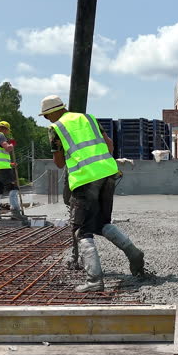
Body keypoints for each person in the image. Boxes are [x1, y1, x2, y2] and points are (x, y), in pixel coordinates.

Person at [41, 95, 146, 292]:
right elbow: (109, 145)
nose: (47, 119)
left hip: (84, 179)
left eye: (47, 115)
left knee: (81, 230)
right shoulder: (89, 119)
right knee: (102, 223)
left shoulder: (55, 129)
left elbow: (59, 163)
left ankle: (94, 280)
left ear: (53, 112)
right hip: (108, 173)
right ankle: (134, 253)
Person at [0, 121, 25, 221]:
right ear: (4, 129)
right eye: (8, 130)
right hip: (3, 169)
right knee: (13, 188)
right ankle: (15, 212)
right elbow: (7, 148)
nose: (7, 133)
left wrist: (11, 164)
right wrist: (11, 144)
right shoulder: (1, 135)